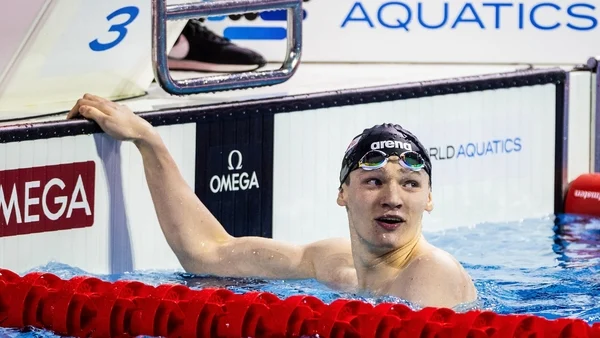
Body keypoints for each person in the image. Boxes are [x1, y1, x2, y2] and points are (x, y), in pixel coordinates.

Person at [67, 94, 478, 309]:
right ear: (342, 193)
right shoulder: (333, 262)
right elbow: (208, 253)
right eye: (373, 181)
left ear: (428, 199)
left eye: (409, 184)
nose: (392, 199)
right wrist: (148, 141)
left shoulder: (431, 275)